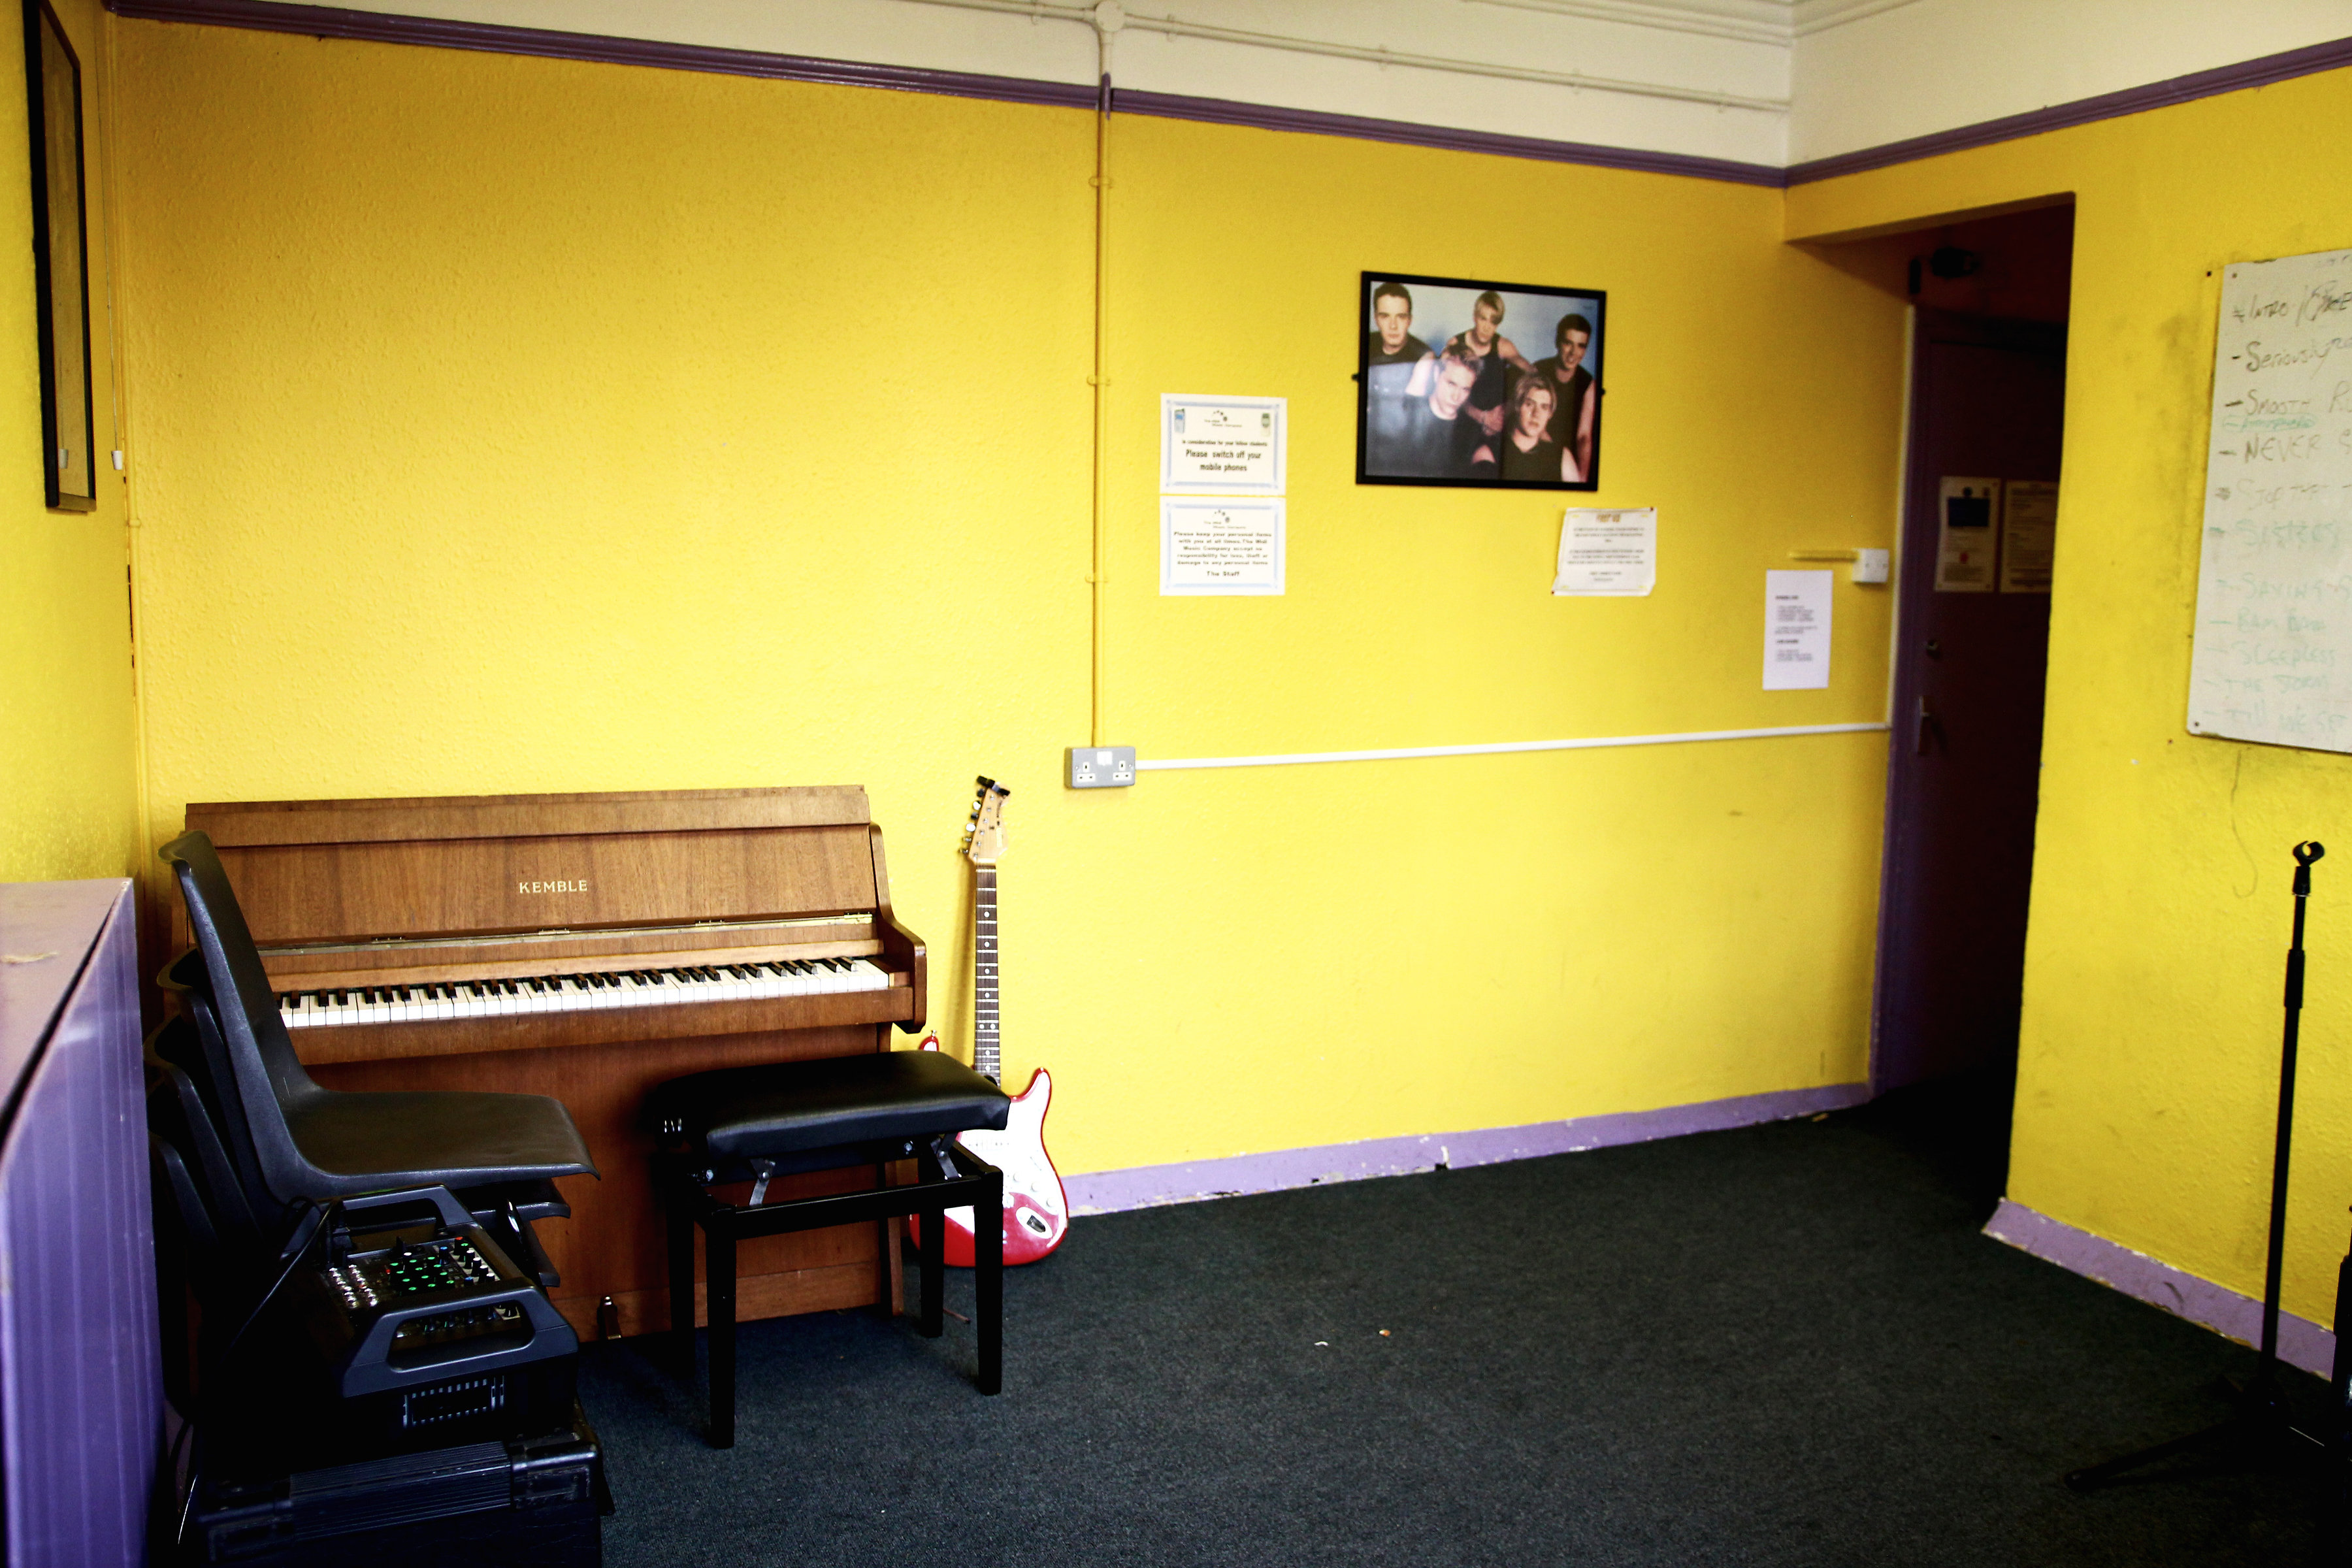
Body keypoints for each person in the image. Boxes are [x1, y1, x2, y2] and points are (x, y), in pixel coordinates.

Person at [1366, 350, 1484, 478]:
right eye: (1451, 384)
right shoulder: (1406, 415)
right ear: (1436, 375)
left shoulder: (1471, 431)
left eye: (1465, 390)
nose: (1456, 397)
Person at [1433, 291, 1533, 440]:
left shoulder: (1503, 346)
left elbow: (1534, 376)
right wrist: (1482, 417)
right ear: (1475, 317)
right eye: (1483, 319)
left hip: (1494, 424)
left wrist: (1506, 411)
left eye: (1493, 322)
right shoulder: (1455, 344)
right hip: (1461, 419)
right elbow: (1444, 390)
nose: (1487, 328)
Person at [1529, 312, 1598, 481]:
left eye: (1581, 346)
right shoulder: (1538, 370)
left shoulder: (1588, 383)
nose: (1573, 353)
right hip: (1538, 450)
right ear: (1557, 342)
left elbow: (1584, 436)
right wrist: (1558, 460)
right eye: (1568, 343)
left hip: (1571, 460)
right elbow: (1533, 423)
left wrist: (1581, 478)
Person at [1478, 373, 1567, 482]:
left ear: (1550, 414)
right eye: (1530, 404)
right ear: (1517, 406)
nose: (1536, 414)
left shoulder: (1561, 457)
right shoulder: (1489, 453)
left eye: (1544, 407)